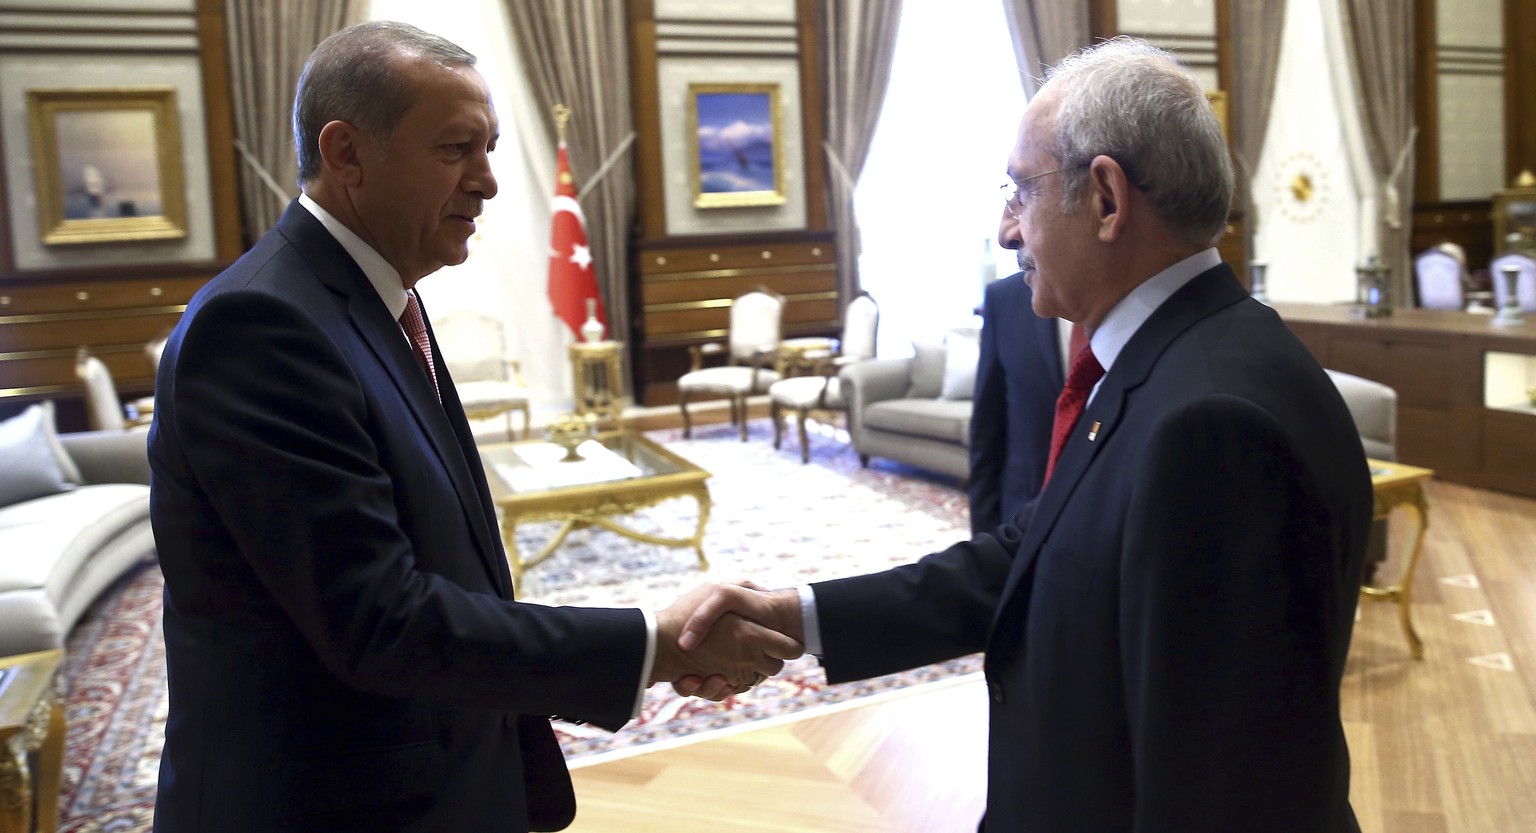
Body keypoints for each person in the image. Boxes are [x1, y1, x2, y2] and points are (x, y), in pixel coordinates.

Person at [677, 37, 1372, 832]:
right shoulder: (1170, 361)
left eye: (1021, 192)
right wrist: (791, 616)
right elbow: (1028, 555)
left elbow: (1220, 787)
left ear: (1106, 199)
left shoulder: (1211, 423)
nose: (1008, 230)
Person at [147, 22, 798, 833]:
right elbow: (379, 618)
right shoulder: (260, 326)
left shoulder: (379, 296)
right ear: (346, 152)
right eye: (457, 149)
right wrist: (653, 644)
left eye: (490, 148)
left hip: (430, 775)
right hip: (327, 803)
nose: (488, 183)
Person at [967, 267, 1063, 534]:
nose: (1007, 234)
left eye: (1021, 219)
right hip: (1019, 524)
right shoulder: (1004, 298)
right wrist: (983, 543)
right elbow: (987, 431)